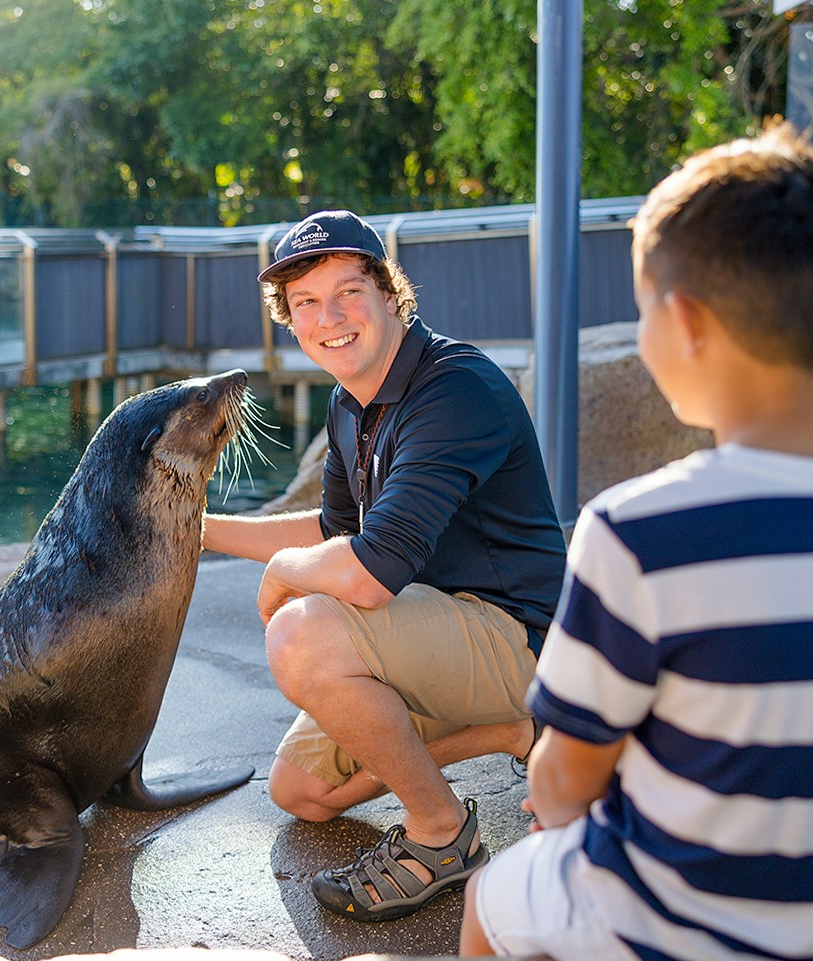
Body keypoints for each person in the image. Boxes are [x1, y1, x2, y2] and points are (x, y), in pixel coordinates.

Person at [461, 127, 813, 961]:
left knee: (489, 894)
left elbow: (563, 780)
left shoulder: (638, 529)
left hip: (689, 942)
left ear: (686, 321)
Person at [202, 209, 567, 920]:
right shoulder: (351, 403)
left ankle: (441, 836)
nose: (328, 316)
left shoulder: (453, 389)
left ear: (391, 295)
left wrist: (283, 571)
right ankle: (518, 732)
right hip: (435, 634)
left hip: (521, 637)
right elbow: (333, 530)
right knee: (301, 792)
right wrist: (198, 531)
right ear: (290, 318)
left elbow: (369, 572)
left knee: (302, 633)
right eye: (306, 302)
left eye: (348, 292)